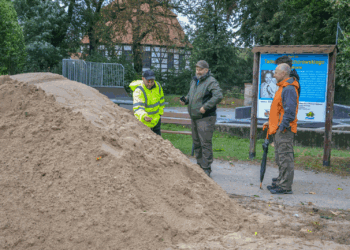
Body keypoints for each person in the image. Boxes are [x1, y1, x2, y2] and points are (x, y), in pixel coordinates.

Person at [180, 60, 223, 177]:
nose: (198, 71)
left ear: (206, 70)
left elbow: (218, 95)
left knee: (205, 143)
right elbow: (191, 95)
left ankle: (206, 168)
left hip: (206, 118)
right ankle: (199, 166)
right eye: (197, 69)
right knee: (197, 142)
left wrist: (206, 106)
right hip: (194, 117)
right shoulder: (194, 81)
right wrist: (186, 99)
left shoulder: (211, 81)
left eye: (200, 69)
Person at [263, 63, 300, 194]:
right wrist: (271, 121)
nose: (274, 75)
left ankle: (285, 187)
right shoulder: (283, 87)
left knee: (285, 158)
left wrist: (281, 127)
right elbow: (280, 110)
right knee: (280, 158)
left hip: (284, 130)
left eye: (276, 72)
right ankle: (281, 180)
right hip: (279, 128)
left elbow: (290, 113)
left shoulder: (289, 88)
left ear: (283, 73)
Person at [129, 70, 165, 136]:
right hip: (144, 123)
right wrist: (144, 116)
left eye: (152, 81)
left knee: (158, 144)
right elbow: (138, 107)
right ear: (143, 79)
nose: (150, 84)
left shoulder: (158, 86)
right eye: (148, 81)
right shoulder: (139, 90)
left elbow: (161, 101)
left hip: (156, 121)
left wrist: (159, 114)